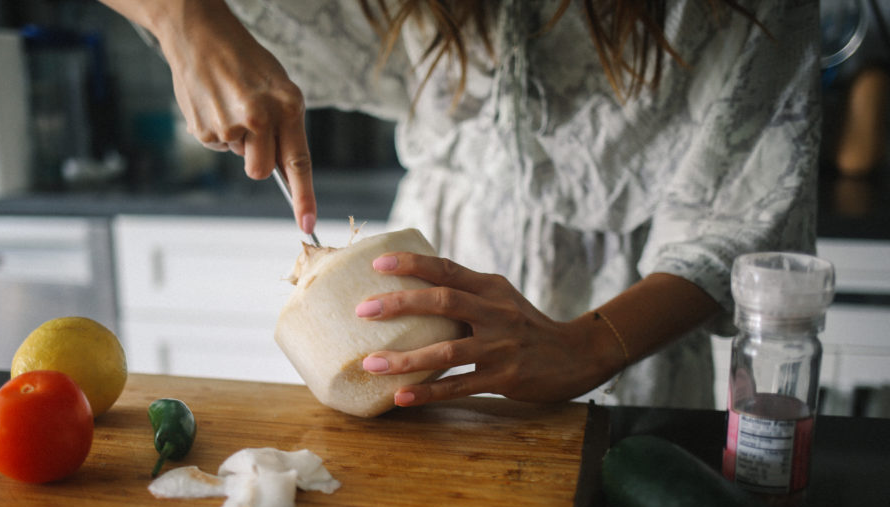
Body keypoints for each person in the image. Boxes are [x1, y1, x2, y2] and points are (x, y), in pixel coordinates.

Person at [100, 0, 819, 410]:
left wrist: (588, 345)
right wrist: (180, 14)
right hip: (418, 352)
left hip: (627, 340)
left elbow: (738, 219)